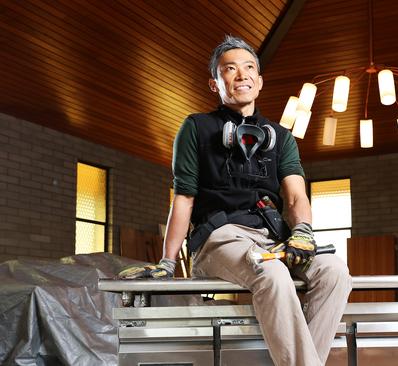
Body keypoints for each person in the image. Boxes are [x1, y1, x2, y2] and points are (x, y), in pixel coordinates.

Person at [120, 35, 352, 366]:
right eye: (229, 69)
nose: (240, 75)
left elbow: (297, 194)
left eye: (248, 68)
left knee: (335, 272)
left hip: (272, 239)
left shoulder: (280, 137)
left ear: (259, 81)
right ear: (215, 84)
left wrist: (302, 231)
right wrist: (168, 261)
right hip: (220, 239)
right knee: (272, 274)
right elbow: (184, 197)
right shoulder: (196, 128)